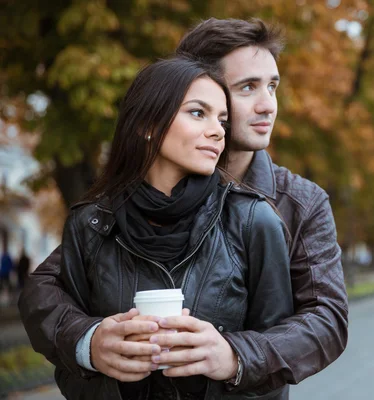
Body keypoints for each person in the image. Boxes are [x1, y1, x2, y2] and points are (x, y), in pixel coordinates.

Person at [19, 17, 348, 398]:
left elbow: (326, 319)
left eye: (272, 87)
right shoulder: (110, 211)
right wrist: (87, 342)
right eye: (247, 88)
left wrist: (235, 355)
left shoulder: (296, 202)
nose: (267, 106)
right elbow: (44, 287)